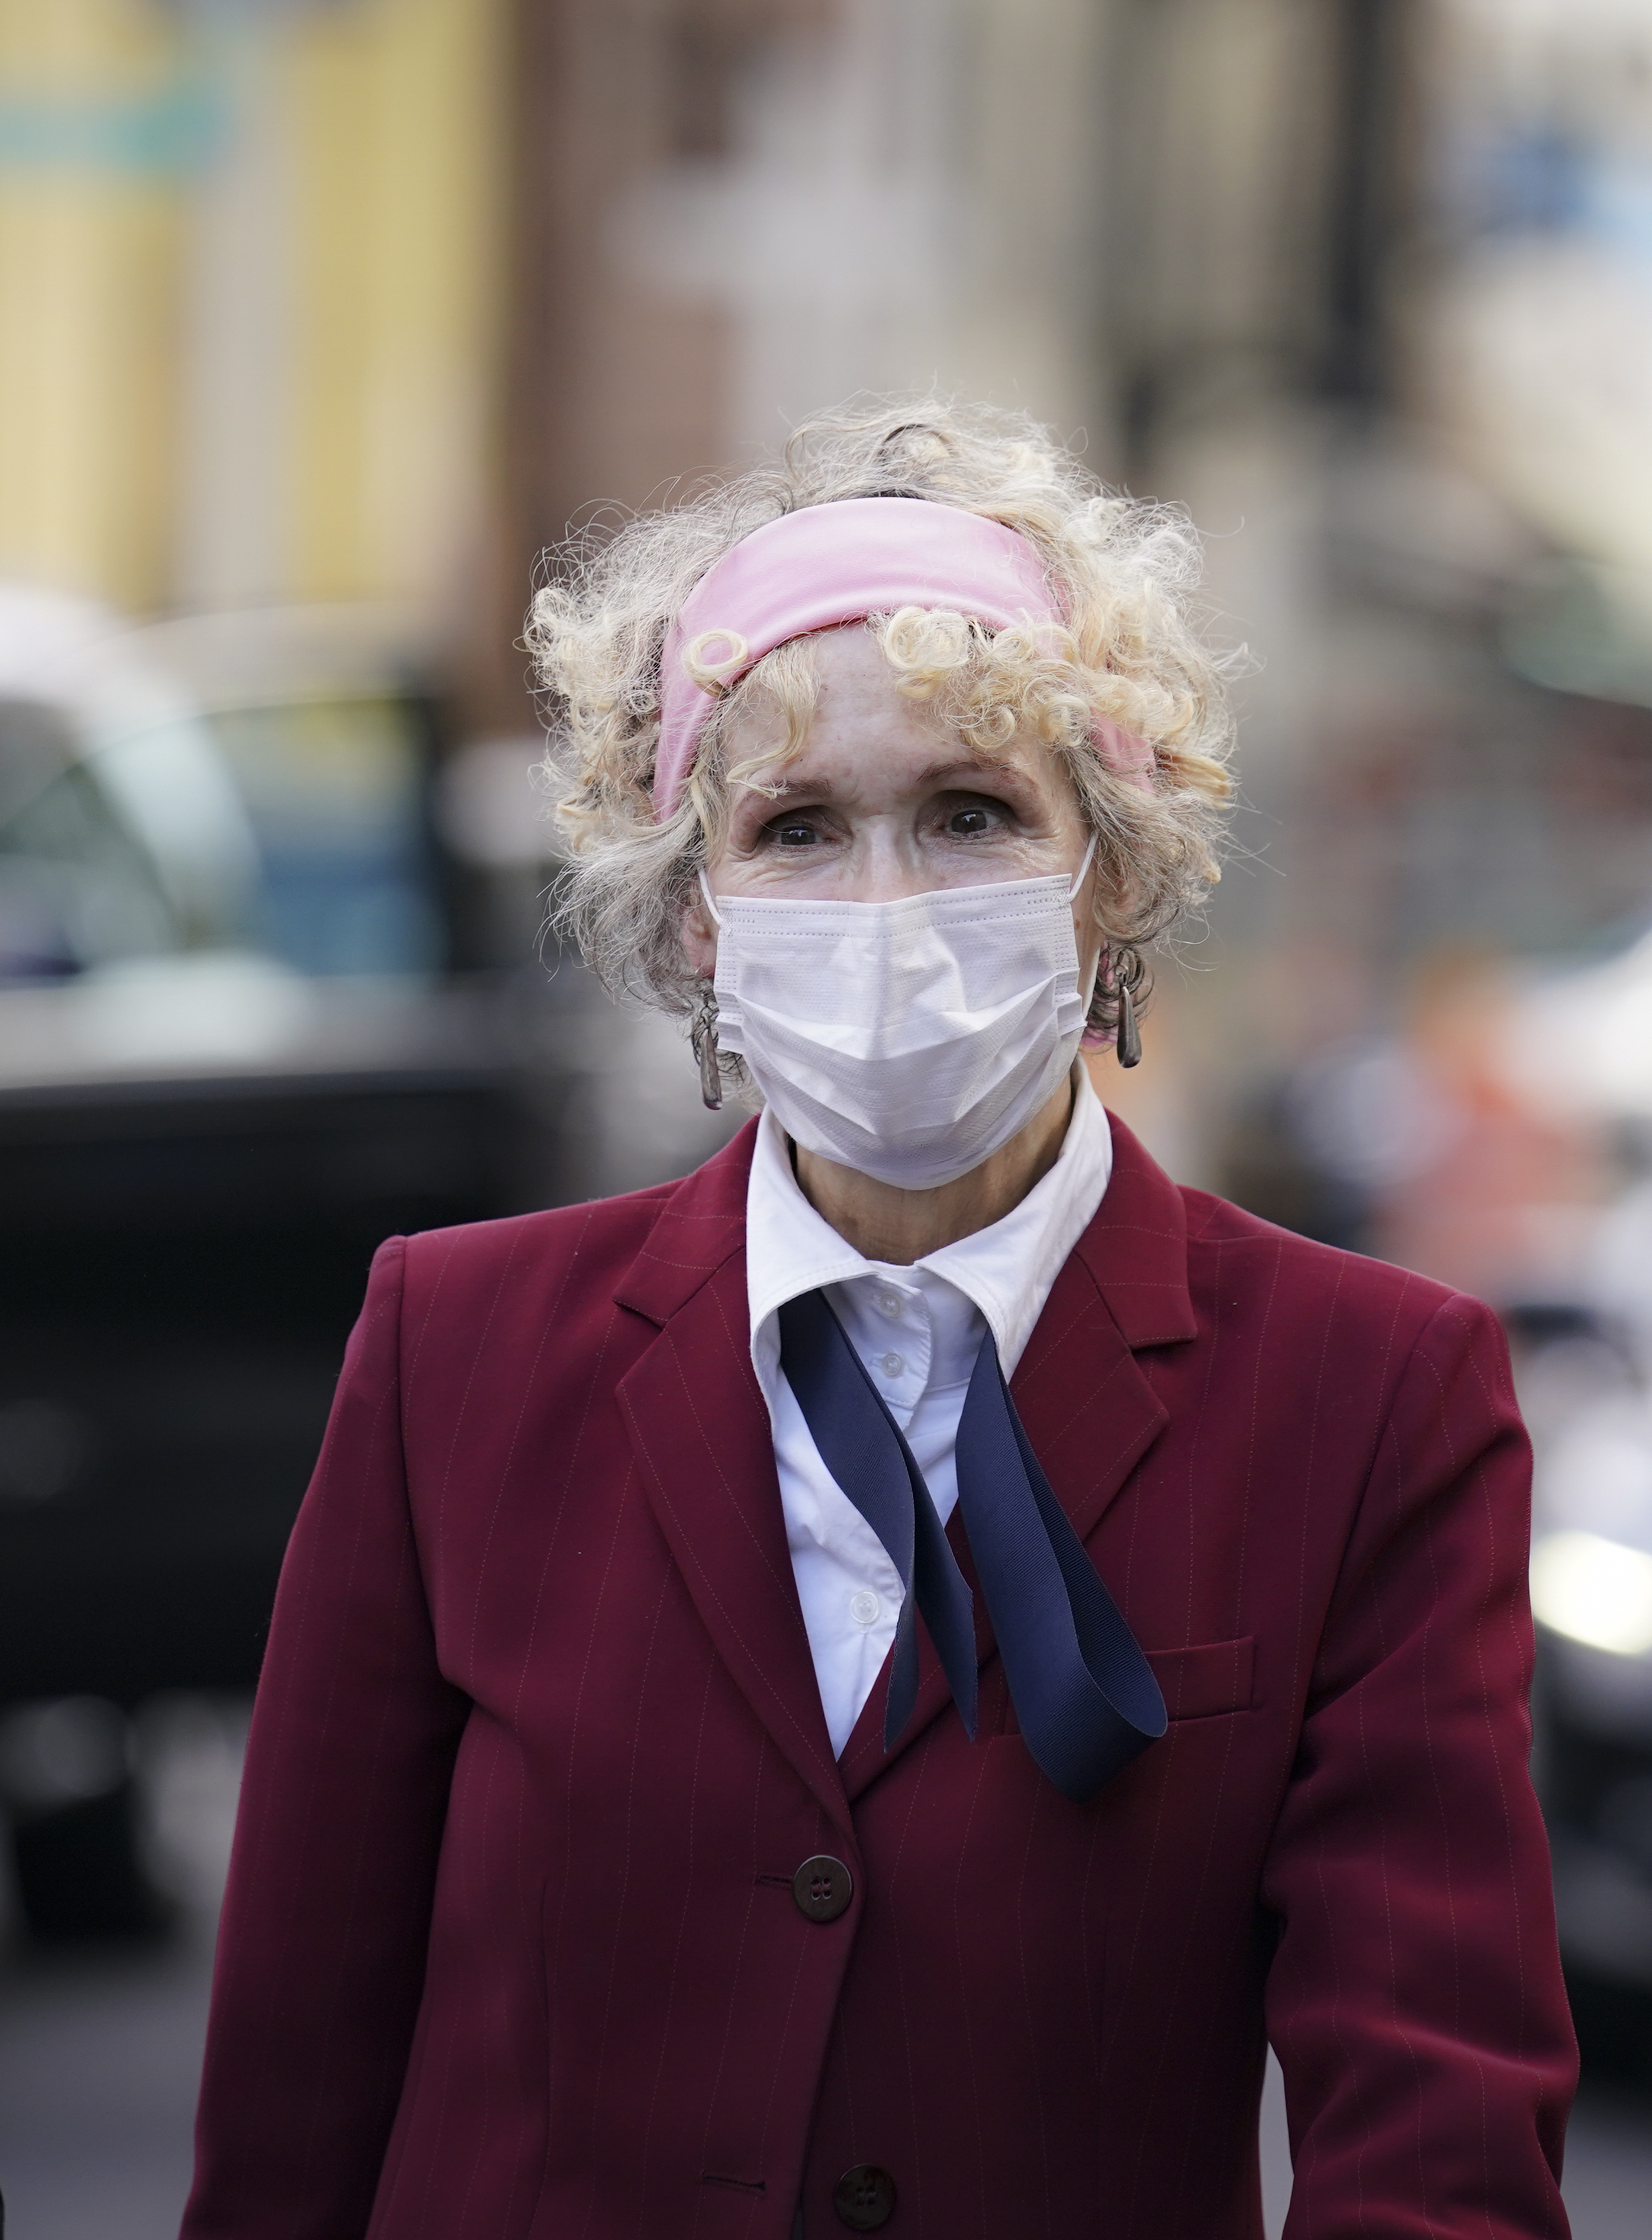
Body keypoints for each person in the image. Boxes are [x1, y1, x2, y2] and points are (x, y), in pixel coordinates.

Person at [178, 403, 1576, 2240]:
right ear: (693, 917)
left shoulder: (1369, 1395)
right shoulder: (454, 1353)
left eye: (973, 812)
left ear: (1115, 871)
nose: (888, 904)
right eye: (799, 828)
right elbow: (294, 2091)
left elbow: (1438, 2127)